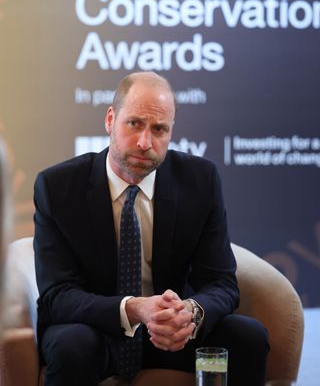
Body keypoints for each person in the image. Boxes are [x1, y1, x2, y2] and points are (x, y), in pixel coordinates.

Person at [33, 72, 269, 386]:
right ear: (110, 120)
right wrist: (133, 309)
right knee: (71, 346)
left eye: (159, 129)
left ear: (171, 132)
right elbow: (56, 295)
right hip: (96, 331)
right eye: (134, 124)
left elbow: (221, 283)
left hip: (173, 337)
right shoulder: (58, 187)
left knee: (248, 337)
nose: (145, 143)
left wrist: (190, 313)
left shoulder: (200, 181)